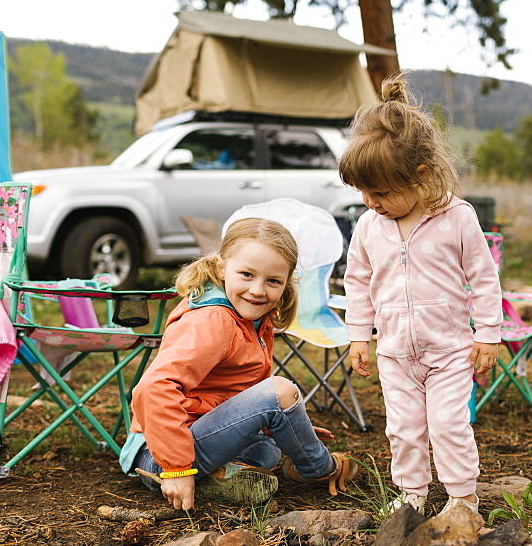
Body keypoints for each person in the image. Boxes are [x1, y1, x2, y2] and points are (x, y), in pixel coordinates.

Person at [340, 72, 502, 516]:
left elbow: (484, 278)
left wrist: (488, 333)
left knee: (449, 423)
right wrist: (359, 335)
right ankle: (411, 495)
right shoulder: (370, 226)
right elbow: (357, 282)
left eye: (381, 193)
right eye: (364, 194)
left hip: (449, 349)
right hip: (395, 351)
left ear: (421, 175)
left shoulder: (457, 217)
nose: (371, 202)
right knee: (404, 428)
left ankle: (462, 498)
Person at [120, 218, 358, 511]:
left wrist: (290, 427)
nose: (258, 290)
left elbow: (234, 390)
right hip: (159, 457)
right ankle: (319, 467)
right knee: (279, 391)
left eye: (273, 281)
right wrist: (176, 469)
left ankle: (219, 478)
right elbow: (152, 389)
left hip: (193, 439)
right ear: (222, 267)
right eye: (246, 274)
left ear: (286, 283)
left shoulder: (252, 318)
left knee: (268, 450)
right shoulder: (214, 320)